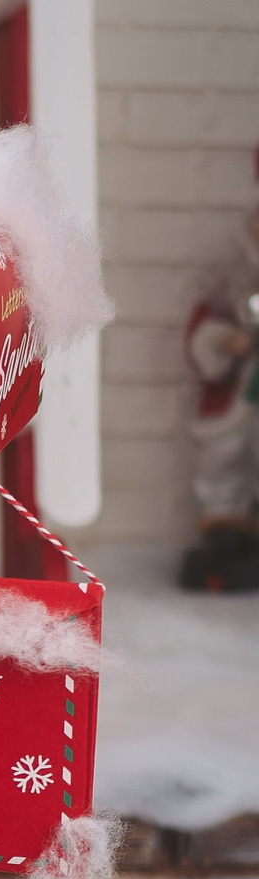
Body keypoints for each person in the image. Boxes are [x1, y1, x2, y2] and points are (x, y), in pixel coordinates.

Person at [183, 205, 259, 591]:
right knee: (225, 451)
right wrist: (223, 341)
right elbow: (204, 321)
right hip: (240, 384)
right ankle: (225, 522)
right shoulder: (233, 272)